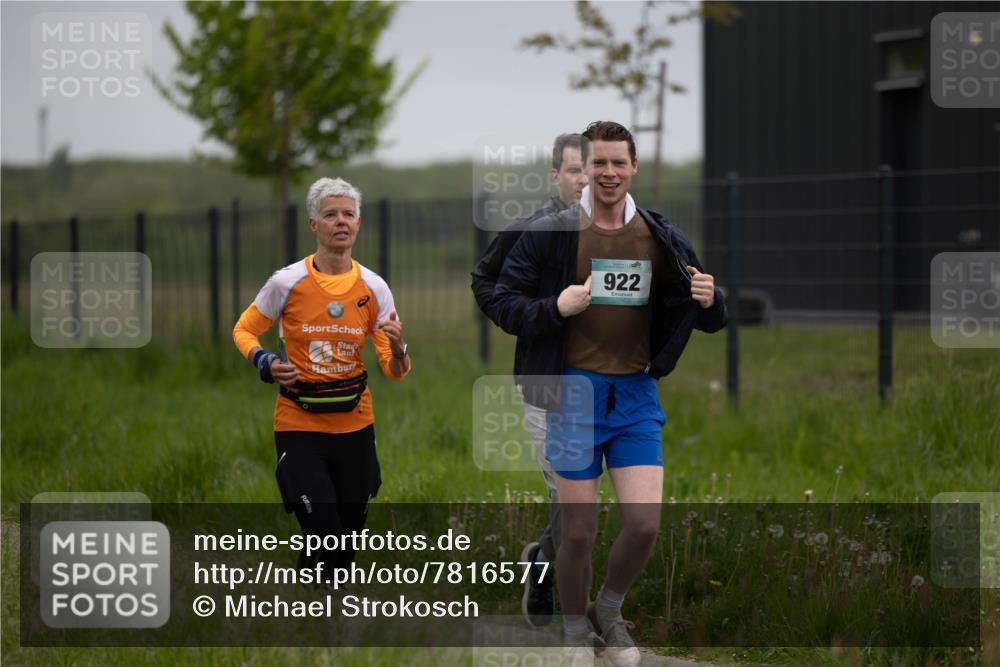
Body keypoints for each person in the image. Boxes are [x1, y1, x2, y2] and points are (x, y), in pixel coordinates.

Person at [492, 121, 726, 667]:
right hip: (573, 395)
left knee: (644, 525)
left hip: (637, 395)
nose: (608, 173)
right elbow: (502, 299)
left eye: (619, 163)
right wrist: (555, 308)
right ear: (585, 167)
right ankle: (576, 630)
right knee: (578, 533)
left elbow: (708, 316)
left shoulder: (658, 235)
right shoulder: (553, 233)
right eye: (598, 163)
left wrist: (714, 298)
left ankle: (610, 612)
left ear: (634, 167)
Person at [233, 177, 411, 574]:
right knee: (324, 528)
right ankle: (331, 616)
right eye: (330, 215)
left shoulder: (375, 288)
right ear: (313, 225)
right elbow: (243, 330)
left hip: (355, 425)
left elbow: (393, 370)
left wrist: (399, 348)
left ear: (359, 223)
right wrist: (264, 362)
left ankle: (314, 617)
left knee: (343, 539)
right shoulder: (286, 282)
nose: (340, 222)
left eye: (348, 214)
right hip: (299, 424)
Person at [471, 133, 589, 627]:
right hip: (546, 382)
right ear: (555, 176)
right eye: (577, 169)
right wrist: (546, 312)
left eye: (594, 168)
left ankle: (542, 560)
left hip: (606, 386)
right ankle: (558, 589)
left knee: (585, 497)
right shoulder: (531, 230)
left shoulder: (624, 231)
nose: (587, 178)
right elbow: (486, 284)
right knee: (568, 494)